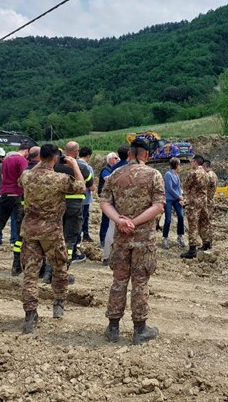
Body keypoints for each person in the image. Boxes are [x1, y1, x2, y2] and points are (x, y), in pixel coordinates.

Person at [100, 139, 165, 345]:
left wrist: (120, 221)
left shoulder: (114, 175)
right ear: (145, 154)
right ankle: (140, 329)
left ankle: (112, 328)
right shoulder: (154, 175)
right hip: (144, 239)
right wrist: (134, 223)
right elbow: (159, 205)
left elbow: (104, 202)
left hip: (121, 238)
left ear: (128, 153)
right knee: (140, 282)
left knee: (119, 281)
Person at [19, 143, 85, 333]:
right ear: (55, 158)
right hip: (52, 232)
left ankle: (30, 315)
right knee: (59, 268)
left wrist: (40, 164)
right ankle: (58, 305)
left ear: (40, 158)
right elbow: (80, 187)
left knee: (30, 275)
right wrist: (73, 165)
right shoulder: (60, 179)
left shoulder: (27, 176)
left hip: (30, 231)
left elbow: (20, 181)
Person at [0, 143, 30, 277]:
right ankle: (17, 261)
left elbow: (1, 178)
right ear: (26, 150)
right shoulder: (21, 160)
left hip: (3, 195)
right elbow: (25, 176)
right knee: (18, 226)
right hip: (16, 195)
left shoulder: (5, 161)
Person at [55, 141, 93, 264]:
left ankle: (51, 265)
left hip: (57, 204)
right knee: (70, 237)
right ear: (76, 151)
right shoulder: (81, 168)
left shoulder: (55, 166)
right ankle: (66, 263)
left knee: (56, 234)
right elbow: (90, 185)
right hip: (75, 206)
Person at [180, 155, 211, 259]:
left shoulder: (193, 173)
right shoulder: (206, 173)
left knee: (193, 224)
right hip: (203, 201)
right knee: (204, 222)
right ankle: (207, 243)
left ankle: (192, 249)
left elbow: (185, 186)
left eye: (192, 161)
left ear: (196, 162)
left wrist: (186, 199)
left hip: (194, 202)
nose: (191, 163)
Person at [161, 157, 185, 249]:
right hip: (169, 199)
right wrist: (178, 196)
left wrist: (181, 197)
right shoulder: (168, 174)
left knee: (181, 216)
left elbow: (178, 187)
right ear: (175, 165)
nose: (180, 166)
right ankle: (165, 238)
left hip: (176, 198)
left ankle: (180, 236)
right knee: (168, 219)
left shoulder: (177, 175)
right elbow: (170, 188)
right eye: (179, 164)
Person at [97, 152, 119, 247]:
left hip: (111, 196)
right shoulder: (106, 169)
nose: (117, 159)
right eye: (115, 158)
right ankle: (102, 239)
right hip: (106, 198)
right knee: (106, 219)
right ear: (110, 159)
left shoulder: (113, 169)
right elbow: (108, 179)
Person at [78, 146, 95, 243]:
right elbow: (91, 186)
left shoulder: (72, 164)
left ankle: (84, 235)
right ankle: (83, 237)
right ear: (88, 156)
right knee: (83, 218)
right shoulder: (88, 168)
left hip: (71, 199)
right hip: (85, 198)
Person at [203, 159, 218, 226]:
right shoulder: (214, 174)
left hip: (207, 201)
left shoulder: (208, 175)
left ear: (204, 166)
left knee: (205, 223)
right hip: (210, 200)